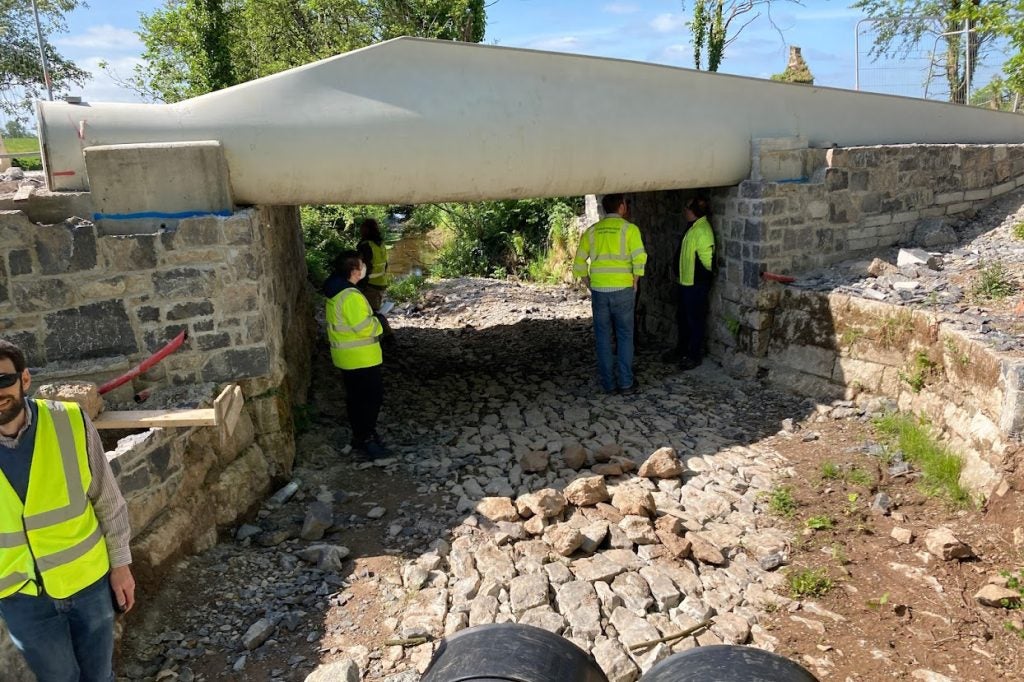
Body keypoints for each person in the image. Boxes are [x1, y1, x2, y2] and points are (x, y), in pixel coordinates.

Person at [0, 338, 136, 682]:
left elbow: (107, 499)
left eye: (3, 380)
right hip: (22, 600)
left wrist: (121, 566)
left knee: (99, 675)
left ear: (24, 379)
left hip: (88, 583)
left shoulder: (69, 422)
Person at [572, 193, 647, 394]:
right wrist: (636, 281)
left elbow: (578, 264)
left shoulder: (591, 232)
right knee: (624, 336)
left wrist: (589, 284)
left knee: (603, 337)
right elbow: (640, 259)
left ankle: (608, 384)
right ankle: (626, 383)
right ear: (621, 207)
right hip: (623, 289)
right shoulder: (630, 230)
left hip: (599, 291)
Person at [324, 251, 391, 460]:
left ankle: (361, 435)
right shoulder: (350, 296)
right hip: (361, 357)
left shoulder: (335, 290)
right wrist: (380, 322)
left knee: (356, 399)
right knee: (371, 399)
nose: (364, 267)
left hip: (347, 357)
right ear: (354, 271)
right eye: (362, 265)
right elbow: (363, 327)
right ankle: (366, 439)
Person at [666, 196, 716, 370]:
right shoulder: (694, 227)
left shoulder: (701, 230)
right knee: (683, 318)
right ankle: (682, 350)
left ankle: (694, 355)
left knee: (694, 320)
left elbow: (708, 261)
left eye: (687, 208)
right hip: (686, 282)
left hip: (695, 284)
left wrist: (701, 278)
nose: (685, 211)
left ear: (694, 211)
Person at [356, 218, 395, 343]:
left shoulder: (366, 245)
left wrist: (359, 284)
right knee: (373, 310)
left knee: (372, 312)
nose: (360, 230)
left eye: (362, 227)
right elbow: (385, 264)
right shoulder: (380, 243)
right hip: (380, 281)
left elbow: (363, 266)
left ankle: (387, 335)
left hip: (370, 284)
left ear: (366, 229)